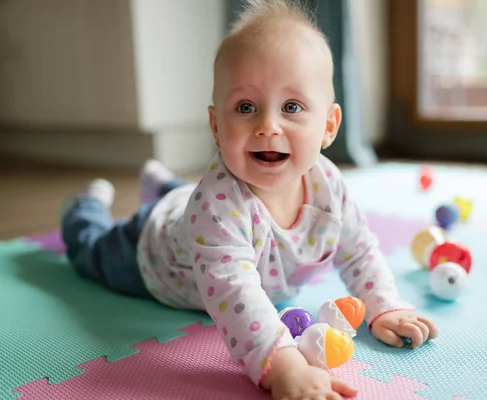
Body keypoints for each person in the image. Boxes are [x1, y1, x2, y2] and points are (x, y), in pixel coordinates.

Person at [60, 1, 439, 399]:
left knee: (187, 198)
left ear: (328, 126)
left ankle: (166, 185)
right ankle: (84, 208)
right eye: (245, 107)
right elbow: (233, 292)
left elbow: (359, 250)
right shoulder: (217, 206)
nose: (267, 126)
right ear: (216, 125)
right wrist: (283, 364)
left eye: (291, 107)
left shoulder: (329, 185)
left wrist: (385, 305)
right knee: (90, 251)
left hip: (189, 210)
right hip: (150, 254)